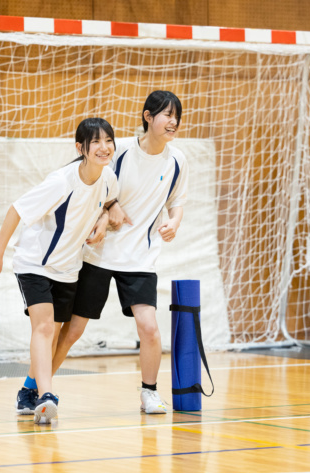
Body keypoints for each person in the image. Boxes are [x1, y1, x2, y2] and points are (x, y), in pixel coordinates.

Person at [52, 90, 188, 414]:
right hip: (99, 254)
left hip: (140, 257)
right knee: (73, 329)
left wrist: (175, 222)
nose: (173, 122)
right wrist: (111, 206)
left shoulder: (178, 160)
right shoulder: (121, 150)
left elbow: (177, 202)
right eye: (167, 115)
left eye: (176, 117)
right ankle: (39, 386)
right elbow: (92, 179)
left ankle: (149, 393)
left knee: (150, 327)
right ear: (148, 117)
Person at [0, 117, 119, 424]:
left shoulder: (109, 178)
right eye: (95, 142)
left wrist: (104, 218)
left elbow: (107, 201)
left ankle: (28, 393)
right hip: (34, 263)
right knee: (44, 328)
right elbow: (16, 209)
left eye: (108, 141)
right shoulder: (61, 182)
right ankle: (47, 395)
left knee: (55, 334)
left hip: (68, 268)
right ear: (80, 148)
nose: (103, 147)